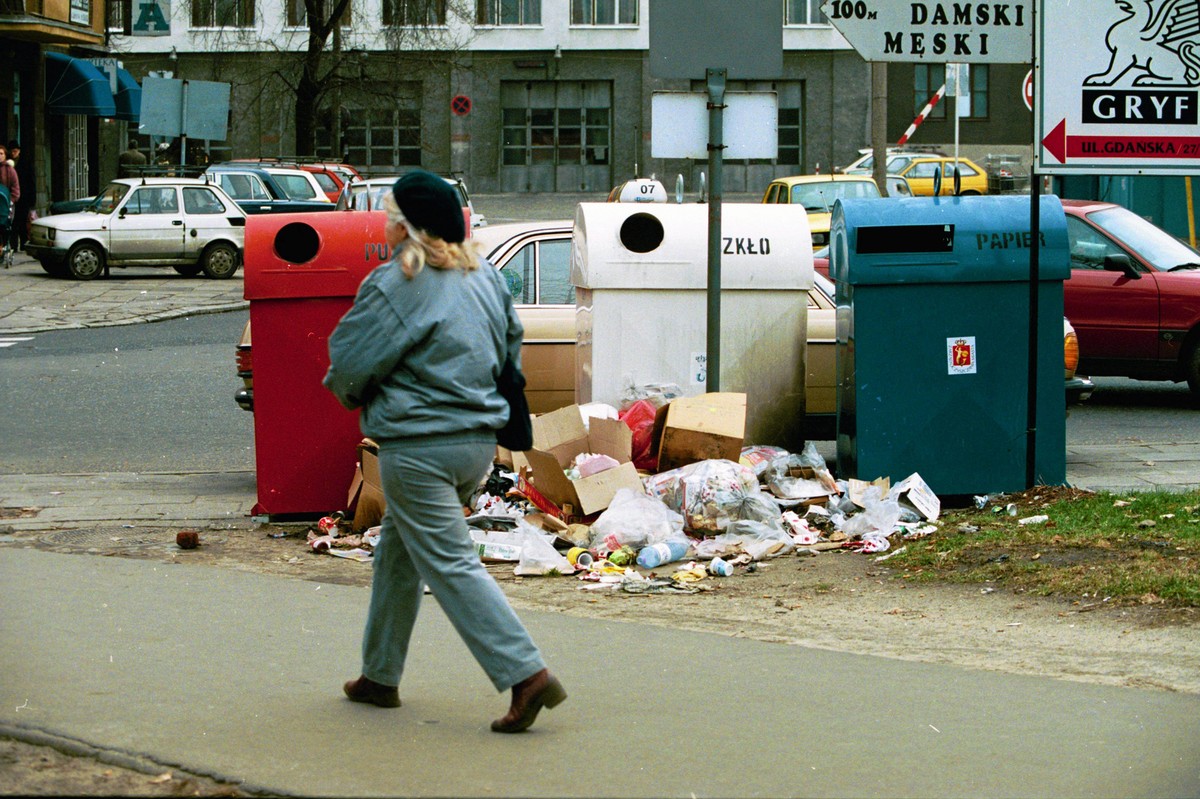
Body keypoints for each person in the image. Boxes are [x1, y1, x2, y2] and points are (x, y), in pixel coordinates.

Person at [323, 170, 566, 733]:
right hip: (475, 445)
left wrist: (351, 393)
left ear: (407, 227)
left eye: (390, 215)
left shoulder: (397, 281)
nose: (384, 223)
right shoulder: (484, 277)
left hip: (418, 448)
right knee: (398, 553)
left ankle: (526, 673)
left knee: (451, 562)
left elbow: (351, 359)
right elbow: (509, 350)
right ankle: (379, 674)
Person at [7, 140, 33, 252]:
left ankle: (23, 243)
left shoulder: (25, 162)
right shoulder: (8, 163)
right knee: (13, 222)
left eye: (15, 151)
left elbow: (31, 181)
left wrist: (32, 199)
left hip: (24, 196)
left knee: (23, 221)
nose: (13, 153)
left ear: (19, 151)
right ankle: (13, 245)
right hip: (12, 196)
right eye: (12, 151)